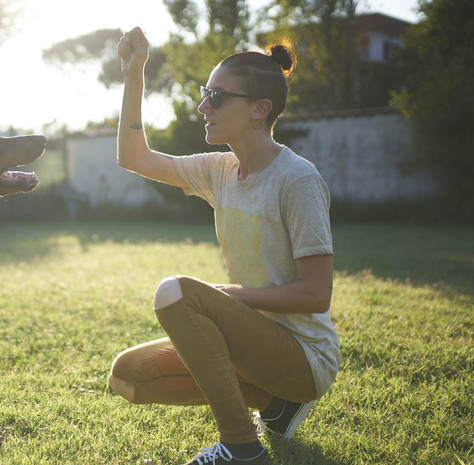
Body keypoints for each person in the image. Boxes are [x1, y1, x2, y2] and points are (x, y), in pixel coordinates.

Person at [108, 27, 341, 465]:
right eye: (204, 93)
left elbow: (316, 294)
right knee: (128, 377)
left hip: (304, 358)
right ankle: (275, 406)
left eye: (216, 96)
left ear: (259, 110)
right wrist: (134, 74)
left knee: (174, 293)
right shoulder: (219, 170)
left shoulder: (298, 179)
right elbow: (134, 158)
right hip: (250, 346)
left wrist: (236, 297)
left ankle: (242, 449)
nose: (202, 106)